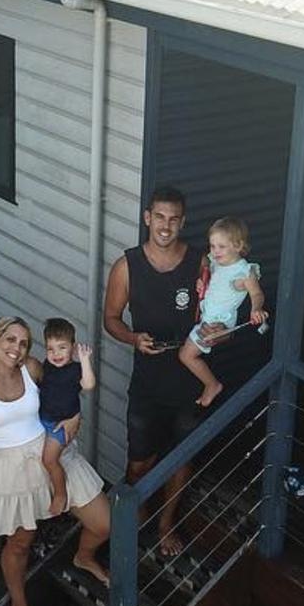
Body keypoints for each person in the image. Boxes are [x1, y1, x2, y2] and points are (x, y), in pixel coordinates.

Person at [0, 311, 110, 606]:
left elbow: (66, 386)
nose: (17, 348)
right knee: (21, 543)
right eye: (11, 339)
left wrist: (74, 418)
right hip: (15, 468)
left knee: (104, 524)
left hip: (54, 452)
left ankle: (83, 556)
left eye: (24, 343)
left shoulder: (32, 368)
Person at [103, 186, 223, 556]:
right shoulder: (127, 266)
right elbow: (110, 318)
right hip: (148, 381)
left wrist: (217, 333)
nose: (166, 226)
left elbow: (217, 315)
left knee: (181, 460)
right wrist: (132, 337)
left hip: (191, 381)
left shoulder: (201, 264)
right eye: (159, 217)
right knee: (138, 462)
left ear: (182, 221)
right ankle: (133, 518)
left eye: (173, 219)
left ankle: (166, 524)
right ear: (147, 218)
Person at [179, 217, 268, 408]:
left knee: (186, 355)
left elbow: (257, 294)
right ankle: (211, 383)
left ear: (238, 246)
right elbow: (209, 277)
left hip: (221, 322)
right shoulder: (215, 262)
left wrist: (256, 309)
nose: (215, 251)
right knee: (188, 353)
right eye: (212, 246)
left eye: (221, 246)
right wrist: (201, 282)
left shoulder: (244, 272)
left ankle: (212, 385)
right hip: (206, 317)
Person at [38, 317, 96, 516]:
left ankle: (61, 495)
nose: (56, 354)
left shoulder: (75, 370)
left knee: (49, 459)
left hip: (61, 425)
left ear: (73, 346)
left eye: (62, 348)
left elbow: (88, 385)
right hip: (43, 419)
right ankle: (49, 489)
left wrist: (85, 360)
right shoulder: (47, 366)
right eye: (50, 349)